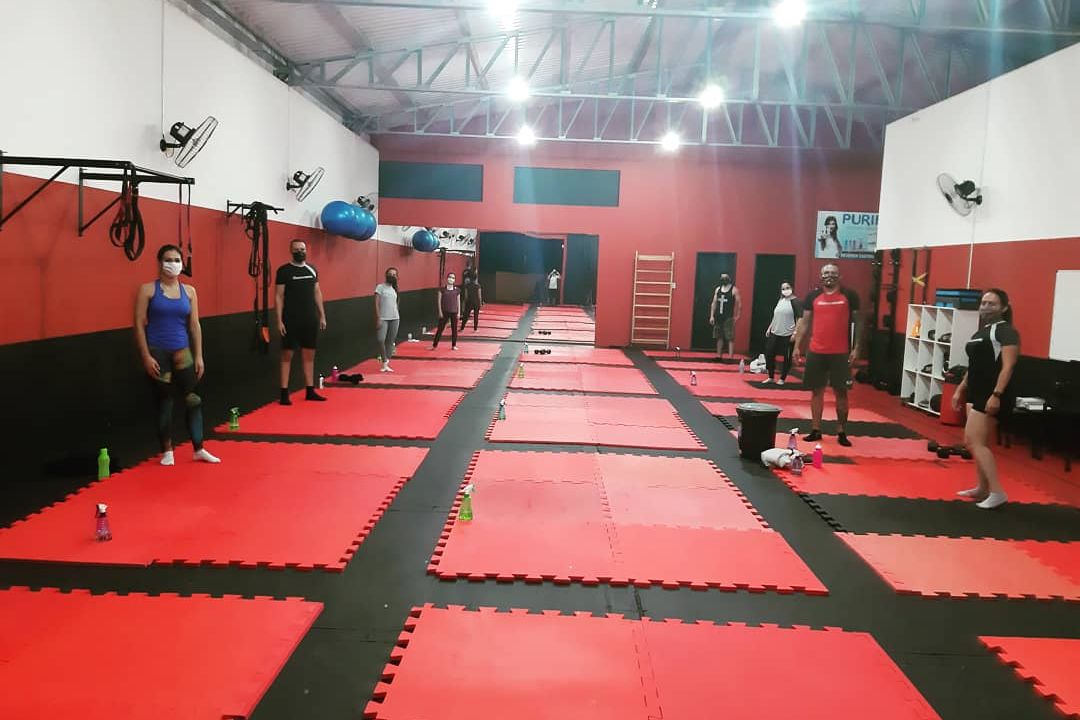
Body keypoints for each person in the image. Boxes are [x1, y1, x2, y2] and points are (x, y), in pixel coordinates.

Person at [134, 244, 221, 466]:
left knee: (194, 400)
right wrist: (145, 356)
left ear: (182, 263)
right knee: (165, 401)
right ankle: (167, 451)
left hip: (182, 351)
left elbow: (195, 325)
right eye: (168, 259)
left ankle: (199, 448)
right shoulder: (147, 290)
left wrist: (199, 356)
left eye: (176, 260)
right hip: (158, 352)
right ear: (159, 262)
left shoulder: (189, 292)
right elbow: (139, 325)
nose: (172, 264)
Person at [952, 289, 1019, 510]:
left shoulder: (1006, 332)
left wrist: (996, 395)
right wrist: (960, 389)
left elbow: (1008, 366)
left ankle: (997, 492)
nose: (986, 307)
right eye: (983, 303)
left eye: (992, 304)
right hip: (976, 393)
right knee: (976, 441)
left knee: (974, 442)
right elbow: (973, 367)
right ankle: (982, 488)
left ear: (1004, 308)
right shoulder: (981, 332)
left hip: (992, 394)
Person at [792, 264, 861, 447]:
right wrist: (797, 346)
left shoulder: (850, 296)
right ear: (821, 276)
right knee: (817, 391)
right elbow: (804, 323)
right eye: (826, 273)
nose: (829, 275)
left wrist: (856, 348)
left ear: (839, 276)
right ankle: (816, 429)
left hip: (840, 352)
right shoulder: (812, 297)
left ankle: (841, 431)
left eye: (833, 273)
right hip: (816, 351)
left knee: (841, 392)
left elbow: (859, 323)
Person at [275, 239, 327, 404]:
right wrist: (279, 321)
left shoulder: (312, 269)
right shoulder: (284, 271)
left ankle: (310, 391)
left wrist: (322, 315)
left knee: (309, 356)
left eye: (302, 249)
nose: (300, 252)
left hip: (309, 319)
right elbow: (278, 296)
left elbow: (317, 292)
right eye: (297, 249)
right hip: (290, 319)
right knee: (286, 356)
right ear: (291, 251)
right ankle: (284, 394)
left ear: (306, 250)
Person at [763, 281, 802, 385]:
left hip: (788, 333)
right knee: (769, 353)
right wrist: (769, 328)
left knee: (787, 357)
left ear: (792, 288)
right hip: (775, 332)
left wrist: (795, 333)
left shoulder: (796, 302)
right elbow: (776, 316)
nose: (785, 290)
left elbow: (800, 318)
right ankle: (771, 376)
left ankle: (782, 378)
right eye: (783, 288)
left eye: (787, 287)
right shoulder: (780, 300)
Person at [709, 273, 741, 360]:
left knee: (730, 337)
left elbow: (739, 303)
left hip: (728, 317)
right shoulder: (718, 289)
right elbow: (714, 303)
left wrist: (737, 315)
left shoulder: (734, 290)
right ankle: (719, 355)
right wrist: (712, 316)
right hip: (719, 316)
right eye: (722, 278)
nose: (723, 279)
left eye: (725, 277)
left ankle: (730, 357)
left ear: (729, 279)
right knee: (719, 336)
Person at [374, 267, 400, 372]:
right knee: (380, 339)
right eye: (390, 274)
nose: (392, 276)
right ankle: (384, 359)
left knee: (391, 341)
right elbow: (376, 303)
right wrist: (378, 317)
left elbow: (396, 303)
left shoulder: (395, 289)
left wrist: (397, 313)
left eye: (394, 274)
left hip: (395, 318)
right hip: (383, 318)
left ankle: (386, 362)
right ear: (386, 275)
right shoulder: (380, 287)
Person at [432, 271, 461, 350]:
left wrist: (459, 312)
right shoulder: (442, 290)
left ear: (454, 280)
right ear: (447, 278)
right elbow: (439, 301)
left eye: (453, 278)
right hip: (444, 312)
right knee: (440, 329)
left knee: (454, 330)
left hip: (454, 312)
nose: (451, 279)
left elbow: (458, 302)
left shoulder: (457, 290)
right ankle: (434, 345)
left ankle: (454, 345)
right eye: (450, 277)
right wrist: (440, 311)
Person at [460, 262, 483, 332]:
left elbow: (466, 296)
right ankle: (475, 329)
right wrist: (480, 303)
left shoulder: (467, 286)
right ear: (475, 278)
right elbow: (479, 296)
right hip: (476, 302)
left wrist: (465, 303)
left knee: (466, 315)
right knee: (476, 316)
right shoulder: (478, 286)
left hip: (469, 302)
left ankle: (462, 328)